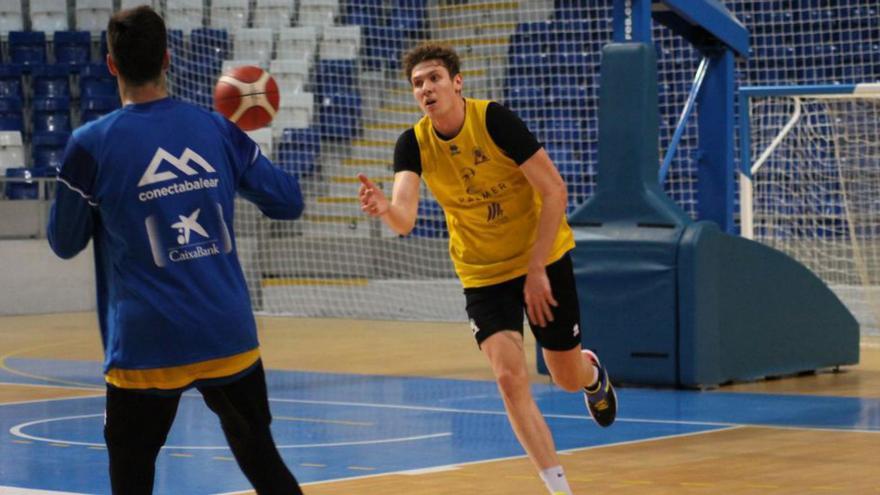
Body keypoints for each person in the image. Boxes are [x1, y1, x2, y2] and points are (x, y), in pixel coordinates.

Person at [47, 6, 304, 495]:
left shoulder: (89, 145)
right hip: (225, 332)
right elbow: (288, 201)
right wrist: (241, 149)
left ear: (111, 65)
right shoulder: (217, 129)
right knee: (263, 463)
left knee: (132, 477)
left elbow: (64, 243)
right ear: (168, 59)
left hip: (147, 344)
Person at [357, 43, 617, 495]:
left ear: (456, 82)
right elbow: (405, 219)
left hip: (543, 256)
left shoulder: (493, 120)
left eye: (434, 78)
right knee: (508, 377)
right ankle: (560, 489)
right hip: (483, 271)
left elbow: (555, 190)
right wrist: (384, 209)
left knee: (565, 377)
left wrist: (536, 269)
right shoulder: (412, 144)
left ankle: (590, 372)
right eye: (418, 83)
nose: (426, 88)